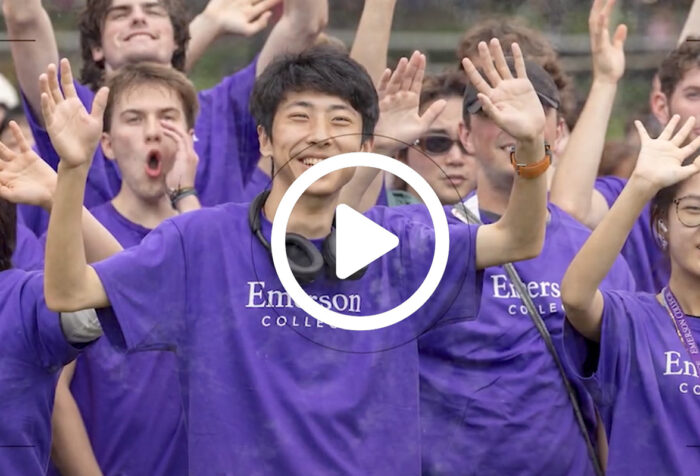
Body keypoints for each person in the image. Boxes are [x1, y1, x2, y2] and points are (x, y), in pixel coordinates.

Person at [42, 41, 550, 474]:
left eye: (340, 120)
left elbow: (518, 240)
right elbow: (68, 291)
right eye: (300, 116)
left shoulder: (401, 244)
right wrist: (72, 170)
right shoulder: (198, 242)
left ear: (368, 145)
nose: (321, 135)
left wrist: (530, 145)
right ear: (264, 138)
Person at [418, 49, 635, 476]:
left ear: (557, 130)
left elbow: (618, 394)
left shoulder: (593, 251)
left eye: (529, 109)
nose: (512, 124)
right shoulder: (424, 238)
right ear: (464, 133)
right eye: (493, 110)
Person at [3, 0, 326, 234]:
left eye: (153, 9)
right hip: (96, 313)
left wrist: (210, 21)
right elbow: (24, 18)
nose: (138, 18)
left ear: (176, 40)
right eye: (120, 12)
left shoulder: (227, 107)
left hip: (208, 305)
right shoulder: (74, 111)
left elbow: (306, 23)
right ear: (97, 48)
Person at [48, 63, 201, 476]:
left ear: (191, 140)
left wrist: (186, 196)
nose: (153, 131)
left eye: (168, 118)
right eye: (134, 119)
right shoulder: (71, 236)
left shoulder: (220, 233)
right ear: (108, 144)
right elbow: (54, 388)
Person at [561, 115, 700, 476]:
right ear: (662, 224)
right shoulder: (631, 320)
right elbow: (576, 297)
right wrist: (640, 185)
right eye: (693, 210)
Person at [391, 71, 477, 206]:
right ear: (400, 153)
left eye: (470, 142)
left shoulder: (510, 219)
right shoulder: (370, 213)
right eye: (437, 143)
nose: (455, 159)